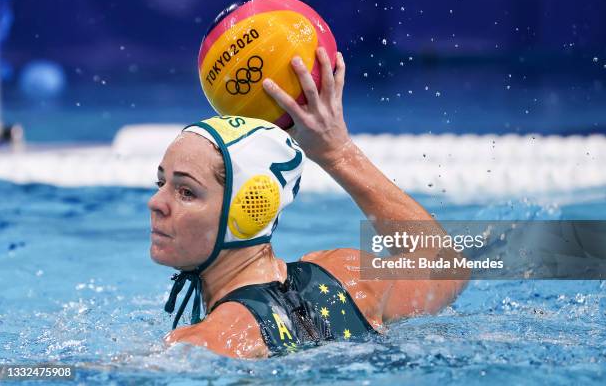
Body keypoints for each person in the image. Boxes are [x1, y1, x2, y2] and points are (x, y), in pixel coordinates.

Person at [148, 47, 468, 358]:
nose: (156, 203)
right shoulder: (349, 278)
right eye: (161, 183)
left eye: (186, 192)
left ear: (248, 210)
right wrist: (337, 151)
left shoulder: (205, 343)